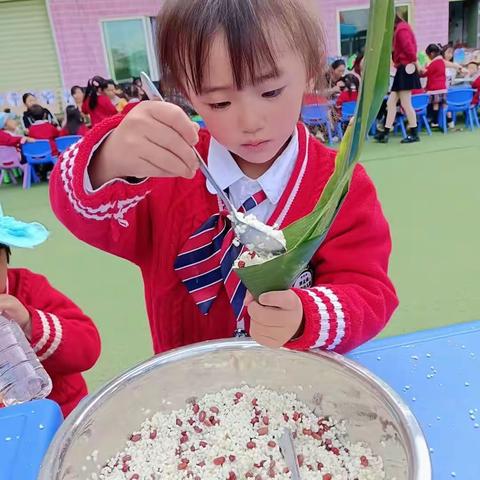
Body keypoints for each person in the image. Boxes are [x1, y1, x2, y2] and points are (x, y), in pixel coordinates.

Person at [50, 0, 398, 355]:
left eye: (270, 91)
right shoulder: (167, 171)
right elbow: (81, 212)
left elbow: (369, 293)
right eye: (219, 103)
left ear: (310, 69)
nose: (250, 122)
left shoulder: (339, 185)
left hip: (300, 389)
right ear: (186, 92)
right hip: (191, 392)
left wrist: (305, 316)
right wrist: (108, 160)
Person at [0, 206, 100, 417]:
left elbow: (88, 348)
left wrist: (29, 322)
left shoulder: (28, 288)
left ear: (6, 256)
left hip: (61, 413)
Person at [376, 14, 421, 144]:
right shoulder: (403, 28)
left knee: (406, 103)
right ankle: (385, 132)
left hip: (405, 67)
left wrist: (414, 61)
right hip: (405, 67)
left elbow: (408, 48)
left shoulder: (401, 30)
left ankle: (414, 133)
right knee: (391, 102)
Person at [419, 44, 447, 128]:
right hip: (443, 88)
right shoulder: (442, 62)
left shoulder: (433, 63)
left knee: (434, 105)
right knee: (443, 105)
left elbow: (425, 73)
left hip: (434, 89)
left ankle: (434, 121)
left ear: (431, 54)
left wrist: (420, 70)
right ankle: (446, 121)